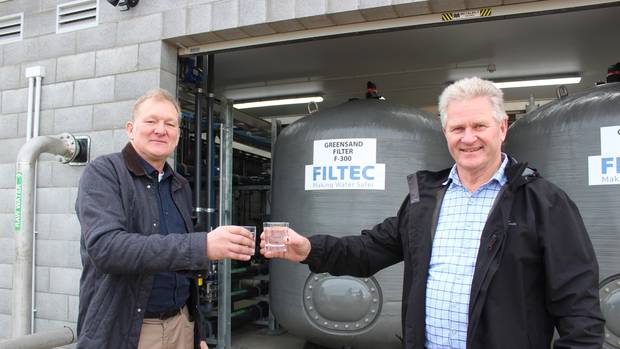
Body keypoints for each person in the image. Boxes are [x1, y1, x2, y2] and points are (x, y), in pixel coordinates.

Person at [261, 77, 604, 349]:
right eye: (457, 128)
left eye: (479, 126)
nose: (468, 138)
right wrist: (309, 248)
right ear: (445, 134)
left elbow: (578, 308)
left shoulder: (543, 202)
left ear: (502, 128)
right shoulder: (426, 201)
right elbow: (367, 250)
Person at [75, 88, 255, 349]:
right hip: (130, 332)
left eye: (170, 124)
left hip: (181, 326)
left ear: (178, 134)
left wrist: (198, 332)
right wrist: (201, 245)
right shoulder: (104, 173)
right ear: (130, 129)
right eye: (151, 121)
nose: (161, 130)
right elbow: (107, 248)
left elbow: (185, 271)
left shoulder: (179, 185)